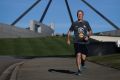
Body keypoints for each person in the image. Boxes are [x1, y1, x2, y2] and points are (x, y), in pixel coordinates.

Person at [67, 10, 92, 75]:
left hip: (84, 42)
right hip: (77, 42)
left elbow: (90, 31)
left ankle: (83, 63)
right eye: (78, 14)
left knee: (83, 57)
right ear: (77, 15)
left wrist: (88, 37)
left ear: (83, 15)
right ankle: (79, 70)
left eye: (80, 14)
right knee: (78, 55)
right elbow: (69, 32)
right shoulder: (74, 23)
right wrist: (68, 39)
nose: (79, 15)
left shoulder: (86, 23)